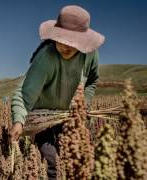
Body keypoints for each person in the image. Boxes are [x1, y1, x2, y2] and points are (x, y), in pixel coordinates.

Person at [8, 5, 105, 179]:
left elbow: (92, 81)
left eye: (71, 42)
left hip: (69, 116)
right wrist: (18, 121)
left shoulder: (90, 55)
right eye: (62, 39)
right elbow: (24, 94)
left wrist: (85, 103)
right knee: (52, 163)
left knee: (75, 159)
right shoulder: (46, 57)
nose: (65, 46)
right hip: (43, 118)